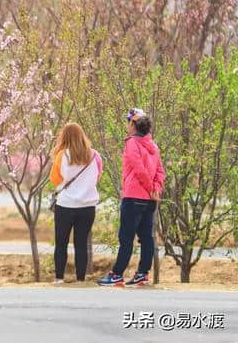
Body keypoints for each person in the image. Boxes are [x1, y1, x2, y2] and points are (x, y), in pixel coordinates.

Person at [98, 108, 165, 287]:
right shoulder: (154, 146)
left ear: (133, 125)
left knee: (126, 237)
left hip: (134, 196)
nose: (127, 125)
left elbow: (138, 168)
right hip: (150, 200)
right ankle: (142, 274)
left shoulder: (132, 144)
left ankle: (117, 274)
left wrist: (151, 187)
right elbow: (160, 172)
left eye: (128, 122)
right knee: (146, 237)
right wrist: (155, 190)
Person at [50, 123, 102, 283]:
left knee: (61, 243)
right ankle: (80, 279)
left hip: (65, 205)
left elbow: (54, 179)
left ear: (64, 137)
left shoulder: (62, 156)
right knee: (81, 244)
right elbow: (97, 177)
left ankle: (59, 278)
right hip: (87, 207)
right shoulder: (95, 156)